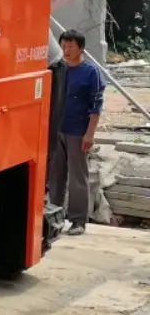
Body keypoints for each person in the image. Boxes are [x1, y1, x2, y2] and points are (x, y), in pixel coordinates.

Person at [48, 29, 106, 236]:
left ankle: (78, 220)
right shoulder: (59, 69)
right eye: (63, 46)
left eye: (70, 46)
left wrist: (89, 134)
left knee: (77, 178)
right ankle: (53, 217)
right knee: (55, 177)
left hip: (77, 131)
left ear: (81, 48)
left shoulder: (91, 72)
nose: (66, 50)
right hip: (57, 130)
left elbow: (96, 106)